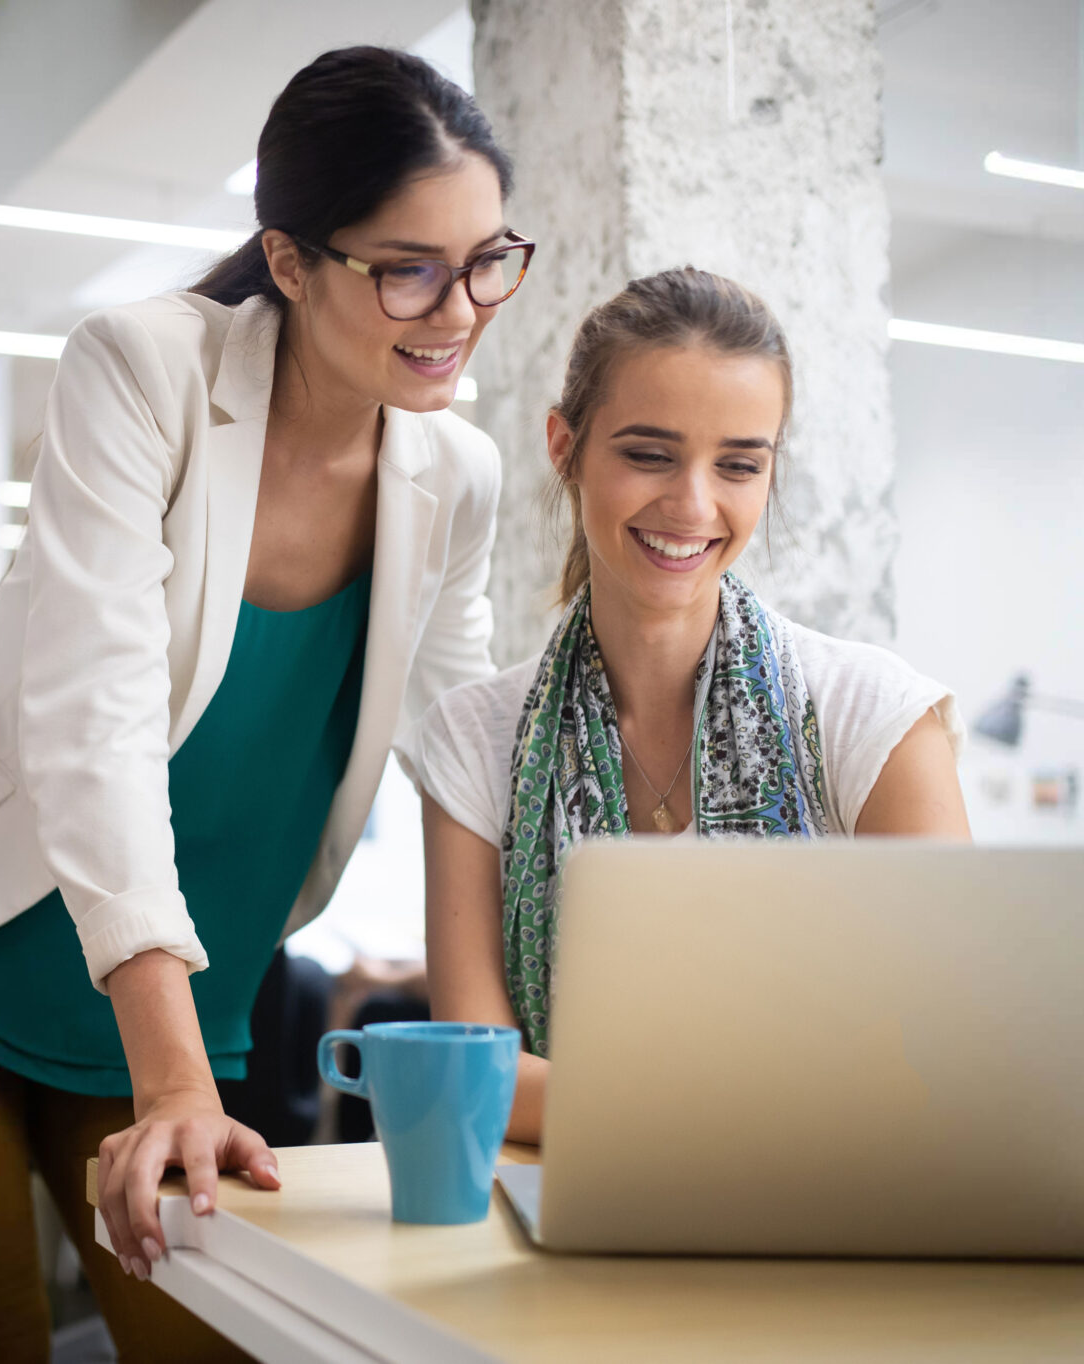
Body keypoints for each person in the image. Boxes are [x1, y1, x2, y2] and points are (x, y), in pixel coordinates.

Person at [0, 47, 532, 1360]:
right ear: (292, 262)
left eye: (487, 260)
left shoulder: (455, 472)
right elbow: (95, 721)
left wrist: (540, 987)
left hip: (184, 993)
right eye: (407, 266)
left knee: (210, 1336)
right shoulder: (146, 370)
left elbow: (464, 747)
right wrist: (176, 1076)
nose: (459, 306)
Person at [412, 267, 972, 1145]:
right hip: (569, 1233)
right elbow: (477, 1072)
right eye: (648, 454)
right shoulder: (474, 740)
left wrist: (636, 1111)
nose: (694, 505)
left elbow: (955, 1047)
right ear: (565, 447)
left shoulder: (878, 716)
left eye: (739, 464)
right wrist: (744, 1111)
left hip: (837, 1225)